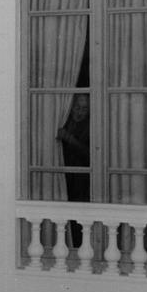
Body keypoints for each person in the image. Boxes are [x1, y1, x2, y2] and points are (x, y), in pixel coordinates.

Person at [56, 94, 90, 248]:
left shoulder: (90, 127)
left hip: (82, 180)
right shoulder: (62, 121)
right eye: (77, 107)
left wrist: (69, 138)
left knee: (80, 218)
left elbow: (91, 153)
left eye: (85, 109)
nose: (80, 112)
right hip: (61, 177)